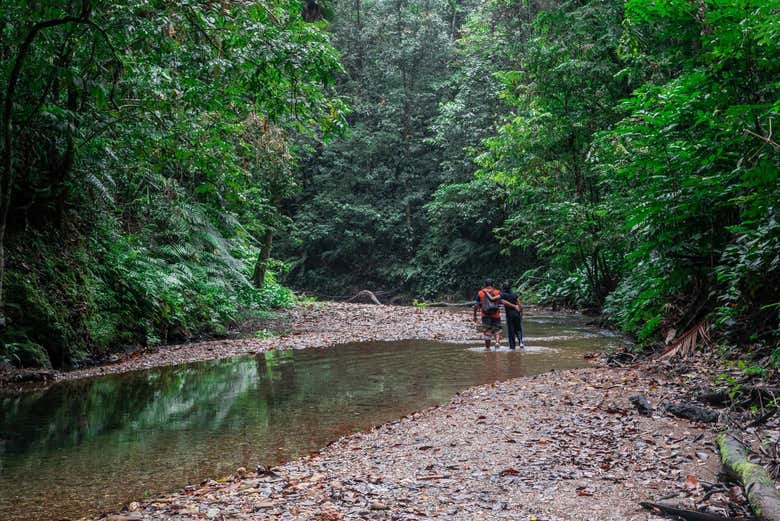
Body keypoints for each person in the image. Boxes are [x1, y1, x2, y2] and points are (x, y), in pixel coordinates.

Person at [473, 279, 502, 349]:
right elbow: (500, 302)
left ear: (485, 285)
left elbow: (476, 305)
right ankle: (497, 342)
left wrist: (475, 315)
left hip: (485, 315)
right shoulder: (497, 292)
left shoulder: (480, 293)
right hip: (496, 314)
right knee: (497, 330)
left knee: (487, 331)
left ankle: (488, 348)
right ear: (493, 284)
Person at [499, 281, 524, 349]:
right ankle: (521, 342)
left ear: (504, 288)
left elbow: (504, 302)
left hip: (510, 315)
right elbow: (520, 305)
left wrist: (513, 306)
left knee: (511, 331)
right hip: (517, 314)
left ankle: (512, 347)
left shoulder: (503, 295)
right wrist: (521, 314)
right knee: (518, 329)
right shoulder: (514, 294)